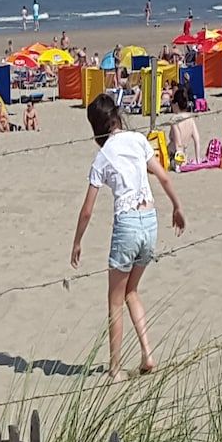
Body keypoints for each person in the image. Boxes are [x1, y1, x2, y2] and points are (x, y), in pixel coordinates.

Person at [71, 95, 185, 379]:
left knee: (115, 299)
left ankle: (115, 368)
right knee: (132, 291)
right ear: (118, 117)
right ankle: (147, 354)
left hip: (127, 224)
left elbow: (87, 210)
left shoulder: (103, 155)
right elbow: (164, 177)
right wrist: (177, 207)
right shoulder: (138, 139)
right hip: (150, 221)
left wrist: (77, 242)